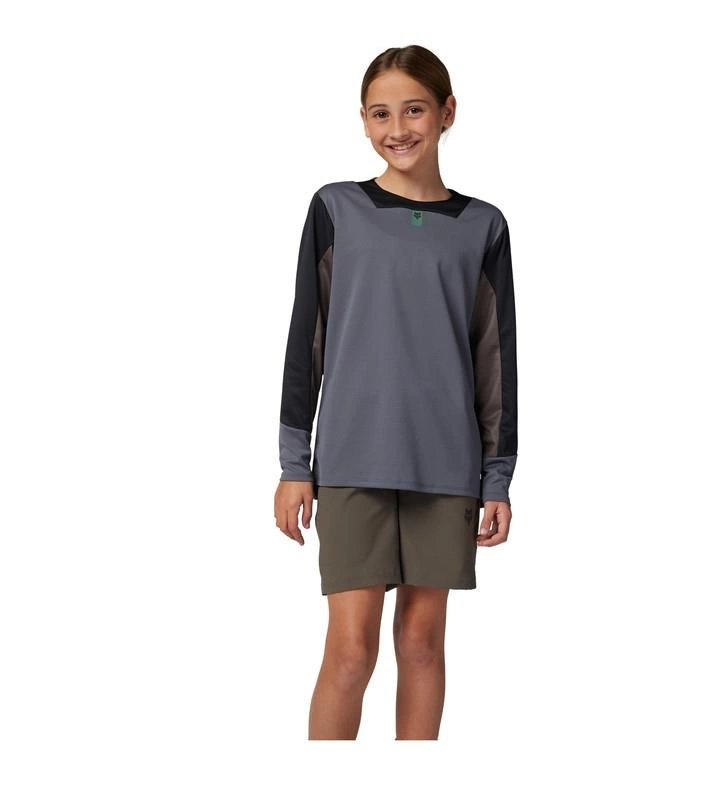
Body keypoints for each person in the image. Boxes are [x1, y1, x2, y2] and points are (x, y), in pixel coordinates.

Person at [274, 44, 518, 740]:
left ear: (446, 112)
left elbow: (496, 359)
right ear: (362, 120)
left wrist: (497, 478)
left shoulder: (484, 226)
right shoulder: (336, 208)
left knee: (421, 642)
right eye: (380, 113)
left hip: (446, 465)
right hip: (351, 460)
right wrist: (295, 464)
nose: (398, 128)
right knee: (351, 650)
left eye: (414, 109)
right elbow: (306, 340)